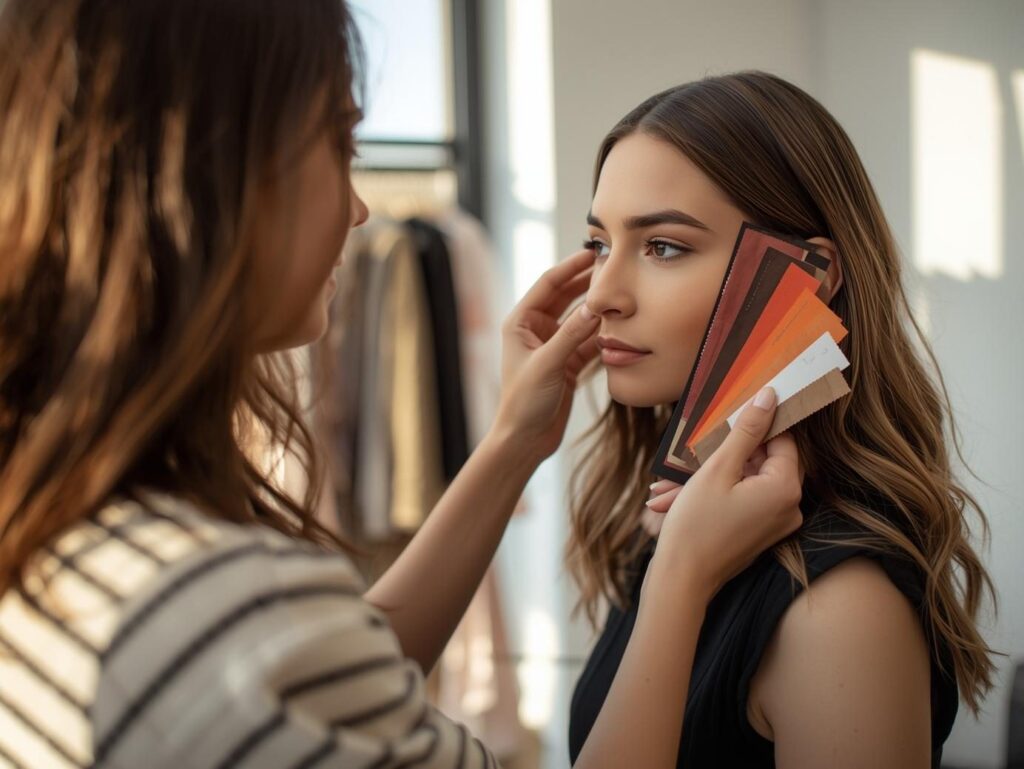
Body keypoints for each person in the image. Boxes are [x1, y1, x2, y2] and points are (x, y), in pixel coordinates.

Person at [0, 3, 802, 767]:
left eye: (662, 245)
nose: (359, 210)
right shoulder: (207, 611)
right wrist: (679, 580)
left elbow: (337, 665)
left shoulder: (75, 528)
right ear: (215, 175)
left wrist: (513, 441)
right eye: (340, 147)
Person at [565, 71, 997, 769]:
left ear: (812, 273)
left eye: (663, 246)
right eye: (597, 245)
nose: (599, 297)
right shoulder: (675, 525)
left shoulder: (839, 610)